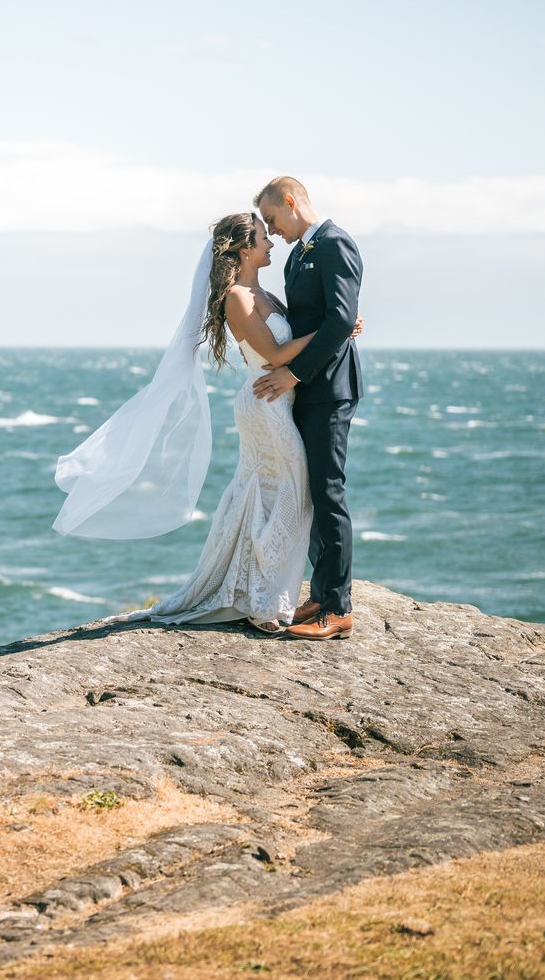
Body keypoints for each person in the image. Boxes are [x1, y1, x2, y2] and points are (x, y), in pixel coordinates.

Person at [52, 207, 361, 635]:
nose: (271, 240)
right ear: (243, 249)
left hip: (279, 404)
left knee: (273, 494)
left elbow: (295, 338)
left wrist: (336, 328)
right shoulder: (237, 296)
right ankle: (263, 597)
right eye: (261, 236)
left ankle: (262, 589)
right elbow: (273, 355)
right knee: (286, 493)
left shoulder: (266, 296)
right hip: (265, 407)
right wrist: (336, 330)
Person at [251, 176, 363, 640]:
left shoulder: (336, 244)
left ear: (292, 203)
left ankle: (337, 609)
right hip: (304, 391)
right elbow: (315, 321)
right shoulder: (300, 253)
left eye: (273, 219)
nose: (272, 231)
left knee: (328, 492)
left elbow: (339, 318)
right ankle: (319, 592)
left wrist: (294, 375)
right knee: (312, 493)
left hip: (329, 388)